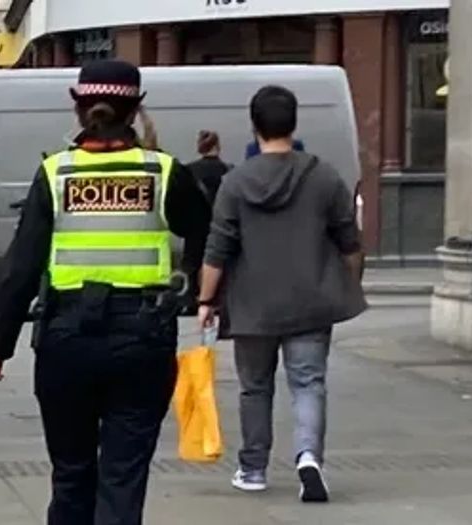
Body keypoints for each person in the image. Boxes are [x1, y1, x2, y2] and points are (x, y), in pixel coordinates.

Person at [0, 60, 210, 525]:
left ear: (79, 106)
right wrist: (191, 291)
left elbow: (21, 265)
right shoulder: (163, 172)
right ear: (136, 108)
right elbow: (208, 234)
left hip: (66, 341)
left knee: (71, 474)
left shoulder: (55, 173)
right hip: (143, 339)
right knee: (122, 477)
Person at [197, 85, 366, 503]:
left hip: (253, 306)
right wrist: (349, 283)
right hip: (311, 301)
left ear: (254, 126)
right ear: (293, 123)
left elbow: (217, 249)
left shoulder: (235, 183)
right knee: (309, 383)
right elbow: (350, 242)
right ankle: (309, 457)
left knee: (255, 387)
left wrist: (205, 301)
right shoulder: (323, 176)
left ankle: (253, 469)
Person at [181, 131, 231, 314]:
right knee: (220, 261)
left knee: (194, 263)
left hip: (195, 225)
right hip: (221, 223)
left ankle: (192, 299)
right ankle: (218, 299)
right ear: (218, 146)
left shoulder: (188, 170)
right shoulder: (229, 170)